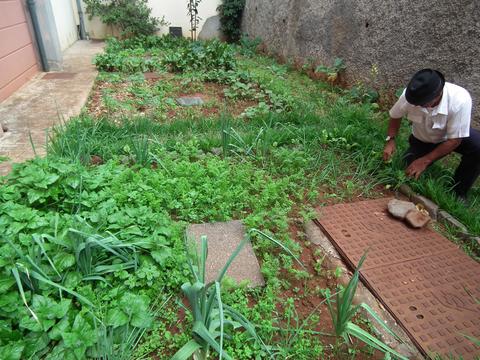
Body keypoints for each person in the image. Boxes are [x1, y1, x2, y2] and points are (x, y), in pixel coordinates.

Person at [383, 69, 480, 200]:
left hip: (451, 137)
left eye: (422, 103)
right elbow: (395, 115)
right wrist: (391, 140)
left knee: (478, 147)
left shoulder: (460, 100)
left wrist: (424, 161)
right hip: (423, 139)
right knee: (405, 171)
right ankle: (421, 157)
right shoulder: (412, 95)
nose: (417, 105)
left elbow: (455, 141)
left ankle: (458, 193)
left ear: (438, 95)